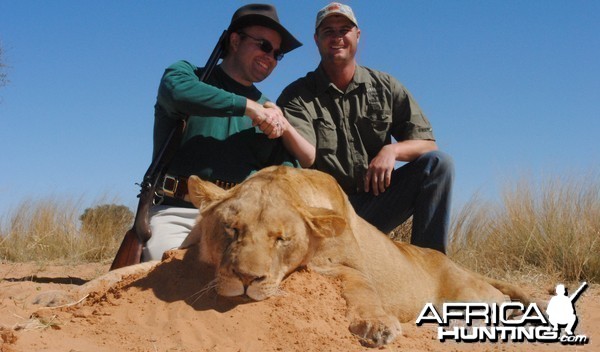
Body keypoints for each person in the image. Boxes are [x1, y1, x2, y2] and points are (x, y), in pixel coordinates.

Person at [277, 2, 454, 253]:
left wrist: (391, 152)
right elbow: (306, 157)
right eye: (328, 31)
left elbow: (428, 145)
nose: (337, 37)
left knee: (438, 164)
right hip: (325, 212)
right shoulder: (296, 96)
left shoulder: (385, 85)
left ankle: (432, 264)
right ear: (317, 39)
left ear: (357, 36)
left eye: (344, 30)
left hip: (376, 205)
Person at [143, 4, 302, 261]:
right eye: (263, 45)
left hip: (241, 219)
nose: (270, 57)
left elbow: (286, 171)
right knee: (167, 269)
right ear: (235, 40)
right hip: (178, 212)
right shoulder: (188, 75)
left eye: (277, 53)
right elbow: (176, 92)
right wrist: (248, 108)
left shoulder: (271, 111)